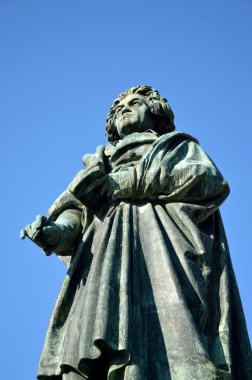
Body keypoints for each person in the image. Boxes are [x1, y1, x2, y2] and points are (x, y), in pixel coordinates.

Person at [21, 86, 252, 380]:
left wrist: (120, 183)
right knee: (94, 331)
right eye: (118, 109)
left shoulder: (176, 147)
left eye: (134, 103)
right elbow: (76, 212)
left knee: (178, 337)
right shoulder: (97, 162)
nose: (124, 109)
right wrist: (54, 233)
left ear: (155, 111)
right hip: (103, 261)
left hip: (166, 249)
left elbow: (206, 179)